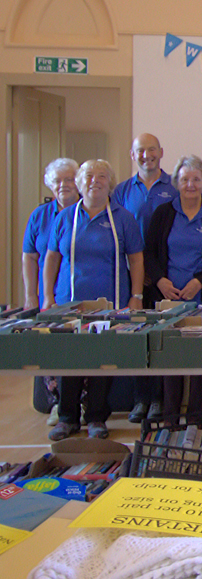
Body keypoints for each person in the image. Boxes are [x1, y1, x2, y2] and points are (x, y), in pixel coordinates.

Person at [43, 159, 144, 441]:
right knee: (69, 360)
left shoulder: (123, 218)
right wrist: (48, 297)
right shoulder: (65, 218)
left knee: (101, 360)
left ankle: (97, 417)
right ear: (79, 181)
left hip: (110, 304)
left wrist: (136, 297)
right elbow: (51, 258)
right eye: (88, 176)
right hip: (69, 302)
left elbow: (136, 259)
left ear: (109, 183)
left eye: (101, 176)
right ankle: (67, 418)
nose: (94, 181)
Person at [145, 155, 202, 424]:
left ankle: (196, 417)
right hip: (168, 299)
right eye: (184, 180)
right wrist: (160, 281)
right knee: (171, 359)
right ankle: (170, 417)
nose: (190, 184)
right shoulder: (163, 214)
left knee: (200, 359)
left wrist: (199, 282)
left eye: (195, 179)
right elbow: (148, 254)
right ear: (176, 183)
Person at [113, 133, 178, 424]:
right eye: (140, 151)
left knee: (163, 340)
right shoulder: (122, 190)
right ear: (132, 154)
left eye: (151, 149)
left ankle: (160, 400)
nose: (146, 155)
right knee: (139, 338)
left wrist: (160, 274)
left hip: (165, 278)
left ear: (161, 152)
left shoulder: (174, 187)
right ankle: (141, 398)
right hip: (135, 279)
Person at [23, 158, 80, 426]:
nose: (64, 185)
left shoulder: (88, 211)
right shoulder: (40, 215)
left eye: (69, 179)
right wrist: (33, 297)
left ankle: (84, 404)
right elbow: (30, 257)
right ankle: (58, 403)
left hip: (79, 293)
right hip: (51, 296)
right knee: (54, 351)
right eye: (58, 181)